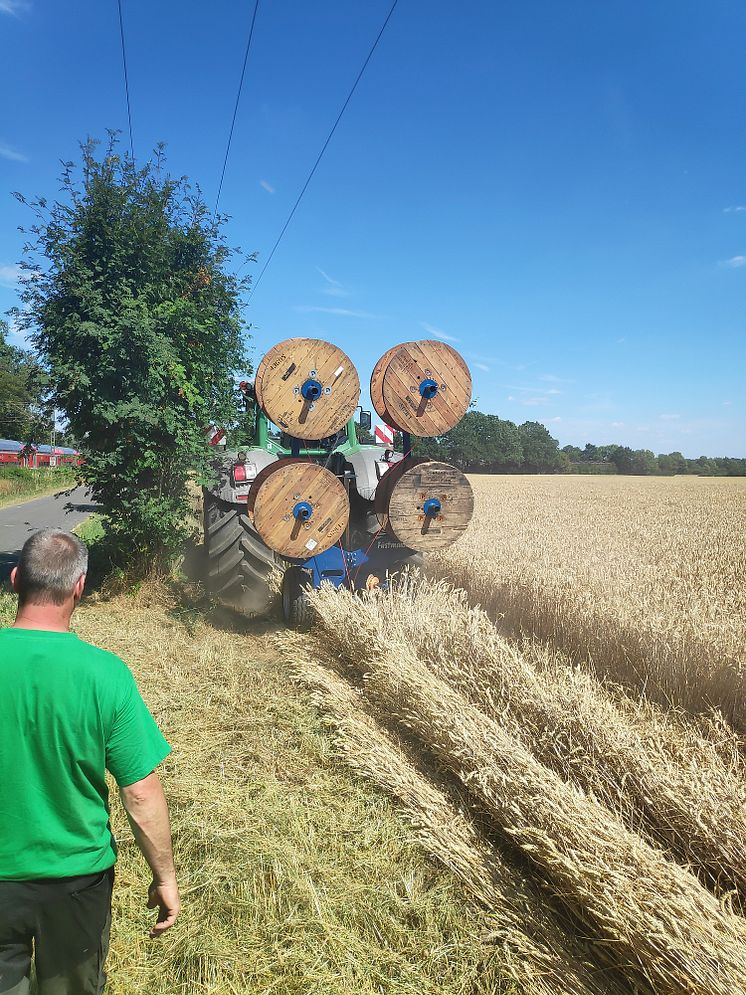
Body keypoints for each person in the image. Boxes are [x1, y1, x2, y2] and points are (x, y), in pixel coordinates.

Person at [0, 529, 180, 994]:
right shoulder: (106, 675)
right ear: (79, 586)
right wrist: (165, 879)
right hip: (76, 881)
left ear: (16, 579)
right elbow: (140, 791)